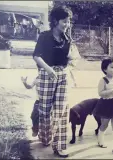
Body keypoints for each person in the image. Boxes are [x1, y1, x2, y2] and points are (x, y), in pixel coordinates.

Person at [33, 6, 76, 158]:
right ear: (56, 21)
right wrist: (49, 69)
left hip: (62, 75)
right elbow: (36, 56)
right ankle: (44, 136)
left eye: (69, 21)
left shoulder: (67, 39)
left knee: (62, 111)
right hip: (47, 74)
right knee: (45, 111)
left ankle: (60, 146)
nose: (67, 24)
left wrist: (72, 60)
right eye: (65, 21)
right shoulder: (44, 36)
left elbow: (69, 58)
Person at [92, 58, 113, 155]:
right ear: (105, 69)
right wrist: (110, 91)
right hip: (106, 104)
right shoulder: (103, 80)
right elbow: (100, 93)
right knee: (105, 124)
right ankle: (100, 139)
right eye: (111, 67)